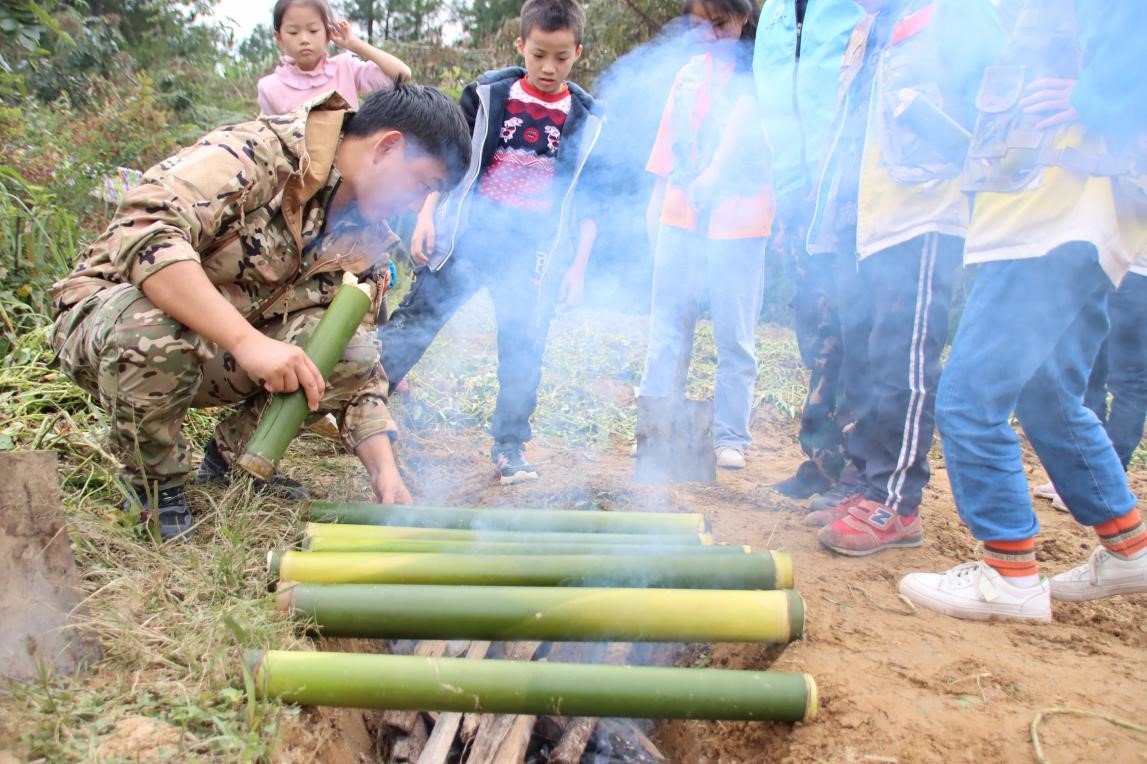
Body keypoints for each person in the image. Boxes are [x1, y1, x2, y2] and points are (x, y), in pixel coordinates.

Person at [49, 85, 471, 540]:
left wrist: (384, 472)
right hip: (112, 322)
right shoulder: (258, 153)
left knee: (352, 347)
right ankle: (154, 483)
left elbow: (362, 373)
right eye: (422, 186)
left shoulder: (367, 240)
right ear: (386, 147)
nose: (414, 207)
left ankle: (233, 462)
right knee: (152, 327)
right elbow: (146, 229)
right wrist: (247, 342)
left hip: (215, 348)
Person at [899, 0, 1147, 620]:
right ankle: (1129, 549)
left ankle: (1010, 572)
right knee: (1050, 398)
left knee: (967, 398)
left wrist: (1097, 97)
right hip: (1074, 213)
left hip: (1053, 209)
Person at [802, 0, 1004, 556]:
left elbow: (996, 104)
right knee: (866, 361)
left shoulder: (956, 13)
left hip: (923, 212)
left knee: (904, 359)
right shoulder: (872, 27)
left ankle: (896, 499)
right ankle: (867, 482)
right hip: (866, 220)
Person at [377, 0, 605, 485]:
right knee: (417, 319)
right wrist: (426, 216)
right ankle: (362, 405)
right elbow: (449, 160)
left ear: (578, 53)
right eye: (539, 53)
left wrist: (578, 266)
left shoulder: (587, 118)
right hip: (468, 234)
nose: (548, 68)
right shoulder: (486, 96)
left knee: (524, 345)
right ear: (521, 44)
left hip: (531, 251)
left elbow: (590, 200)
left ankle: (509, 447)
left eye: (561, 57)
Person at [639, 0, 773, 471]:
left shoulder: (764, 75)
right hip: (680, 217)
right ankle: (655, 433)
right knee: (667, 330)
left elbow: (759, 141)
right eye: (700, 25)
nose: (710, 35)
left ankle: (730, 436)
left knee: (735, 335)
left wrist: (715, 179)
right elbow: (665, 149)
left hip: (740, 221)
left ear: (743, 18)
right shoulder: (689, 75)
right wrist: (656, 208)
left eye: (720, 25)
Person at [752, 0, 864, 495]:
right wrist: (785, 198)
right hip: (797, 195)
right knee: (818, 339)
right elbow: (773, 112)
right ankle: (824, 461)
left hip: (849, 191)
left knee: (857, 336)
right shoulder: (775, 13)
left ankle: (863, 471)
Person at [1035, 265, 1147, 510]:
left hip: (1138, 274)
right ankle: (1080, 477)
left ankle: (1104, 484)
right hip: (1107, 268)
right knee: (1089, 373)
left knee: (1128, 381)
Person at [257, 0, 411, 116]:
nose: (304, 39)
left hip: (350, 158)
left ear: (328, 34)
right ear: (279, 37)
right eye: (293, 32)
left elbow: (402, 74)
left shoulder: (346, 68)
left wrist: (355, 44)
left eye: (313, 30)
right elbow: (269, 140)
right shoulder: (270, 87)